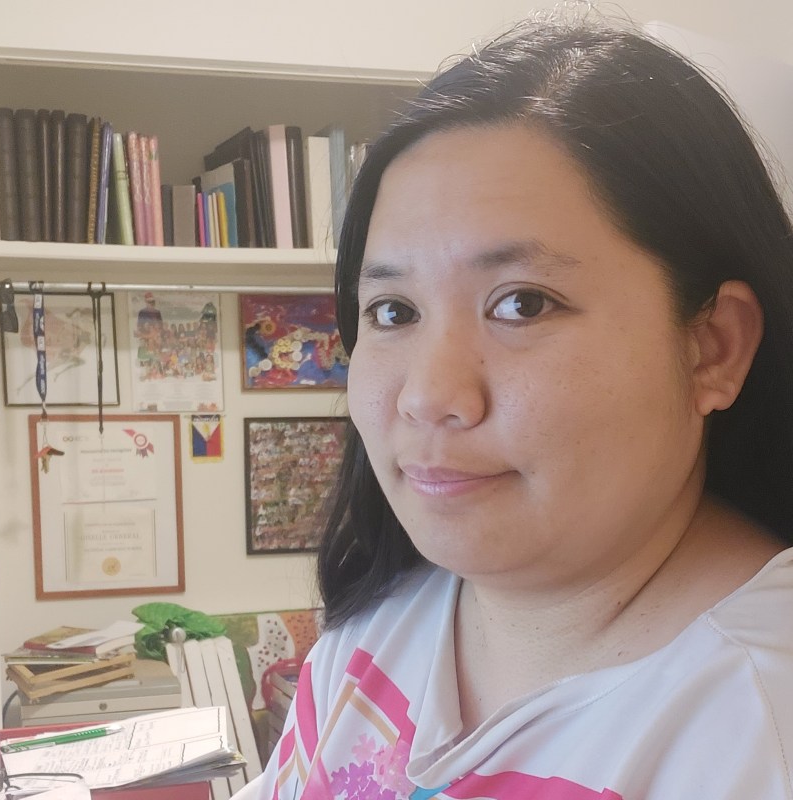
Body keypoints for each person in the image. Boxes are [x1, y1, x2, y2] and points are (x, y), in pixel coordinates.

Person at [238, 14, 793, 800]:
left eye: (523, 304)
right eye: (392, 311)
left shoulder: (756, 731)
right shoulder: (376, 632)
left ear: (712, 349)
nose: (430, 396)